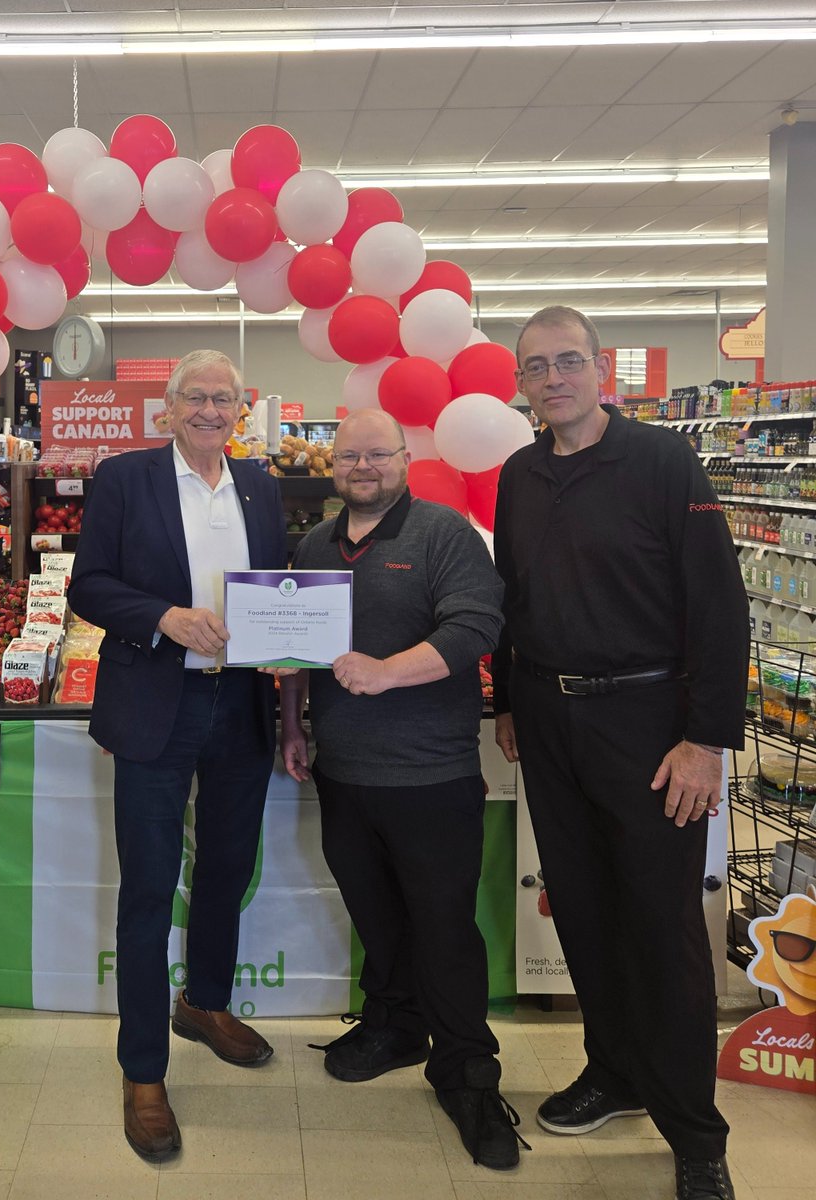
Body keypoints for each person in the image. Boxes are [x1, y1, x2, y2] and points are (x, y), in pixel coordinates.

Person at [491, 306, 749, 1200]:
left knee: (663, 926)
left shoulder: (664, 464)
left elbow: (720, 609)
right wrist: (508, 696)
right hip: (549, 721)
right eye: (536, 366)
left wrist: (707, 739)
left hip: (650, 726)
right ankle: (615, 1072)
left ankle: (695, 1133)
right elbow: (515, 598)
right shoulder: (519, 475)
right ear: (519, 381)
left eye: (569, 361)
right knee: (588, 914)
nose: (553, 377)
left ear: (603, 370)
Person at [279, 408, 527, 1171]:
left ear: (405, 457)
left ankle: (469, 1076)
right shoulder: (315, 545)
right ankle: (393, 1023)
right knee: (376, 914)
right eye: (348, 455)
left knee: (444, 928)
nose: (362, 466)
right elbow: (291, 651)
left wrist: (387, 671)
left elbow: (475, 628)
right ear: (333, 465)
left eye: (377, 454)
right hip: (343, 772)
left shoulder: (444, 535)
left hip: (431, 775)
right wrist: (293, 726)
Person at [67, 349, 288, 1162]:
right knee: (150, 888)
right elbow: (89, 586)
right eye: (194, 397)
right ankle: (144, 1071)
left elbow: (279, 588)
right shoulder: (126, 479)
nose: (208, 410)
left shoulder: (259, 486)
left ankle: (205, 1003)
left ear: (242, 408)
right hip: (156, 700)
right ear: (167, 407)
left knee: (228, 867)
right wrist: (164, 615)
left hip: (240, 704)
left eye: (222, 398)